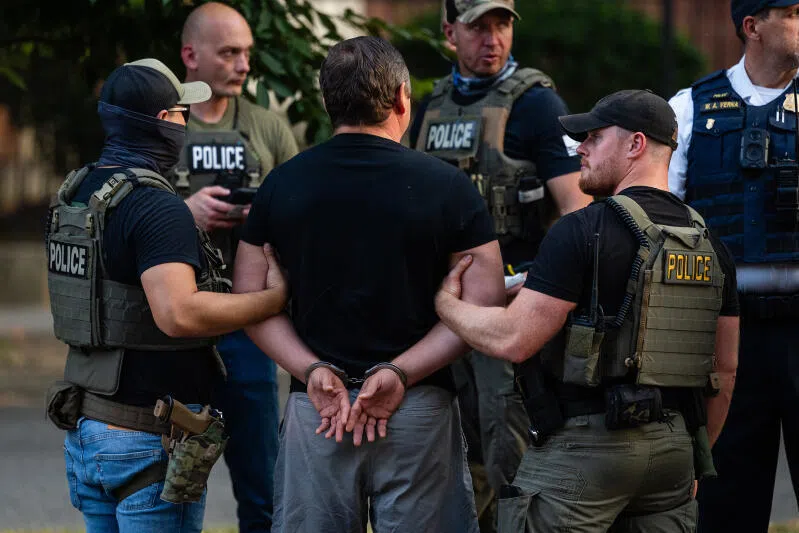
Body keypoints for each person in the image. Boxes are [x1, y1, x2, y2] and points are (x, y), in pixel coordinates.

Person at [233, 36, 505, 533]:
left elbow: (250, 303)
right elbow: (483, 310)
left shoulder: (281, 184)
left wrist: (310, 367)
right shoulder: (449, 188)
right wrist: (400, 372)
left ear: (328, 102)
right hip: (418, 407)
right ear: (403, 98)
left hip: (318, 407)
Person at [435, 90, 740, 532]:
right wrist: (693, 456)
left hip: (586, 452)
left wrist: (446, 303)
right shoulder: (709, 242)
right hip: (674, 455)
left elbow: (514, 339)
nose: (580, 148)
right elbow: (726, 372)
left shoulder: (582, 230)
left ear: (635, 144)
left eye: (594, 137)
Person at [44, 58, 287, 533]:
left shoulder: (78, 193)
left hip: (89, 426)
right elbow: (179, 312)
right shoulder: (156, 205)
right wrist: (272, 301)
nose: (186, 122)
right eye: (180, 112)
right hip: (145, 437)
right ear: (162, 124)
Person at [408, 1, 592, 528]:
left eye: (503, 25)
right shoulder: (430, 106)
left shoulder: (535, 104)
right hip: (441, 307)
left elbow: (577, 210)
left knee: (508, 442)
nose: (493, 39)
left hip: (508, 305)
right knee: (450, 451)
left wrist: (544, 287)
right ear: (450, 33)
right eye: (478, 27)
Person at [668, 1, 799, 530]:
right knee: (724, 510)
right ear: (753, 26)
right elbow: (656, 215)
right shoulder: (688, 109)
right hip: (722, 340)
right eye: (794, 12)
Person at [176, 4, 299, 531]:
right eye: (229, 52)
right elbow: (117, 210)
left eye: (246, 52)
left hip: (248, 325)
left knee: (265, 489)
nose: (243, 64)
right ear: (190, 56)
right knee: (171, 488)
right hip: (173, 325)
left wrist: (265, 215)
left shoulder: (268, 128)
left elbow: (304, 218)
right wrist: (185, 213)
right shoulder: (163, 126)